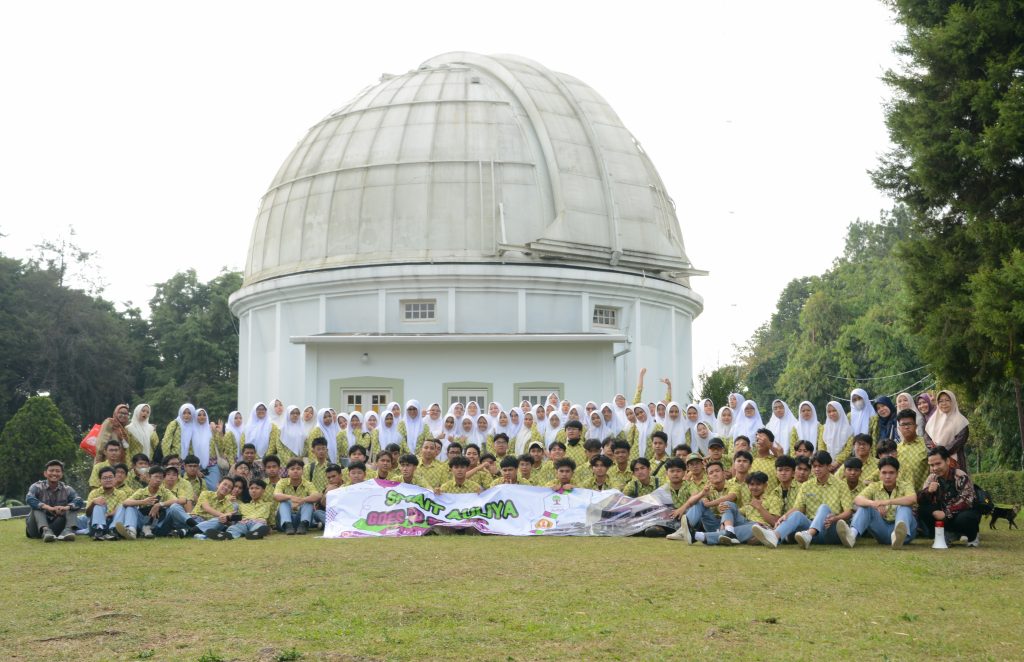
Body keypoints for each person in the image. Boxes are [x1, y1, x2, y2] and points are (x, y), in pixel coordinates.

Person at [751, 451, 854, 549]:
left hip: (830, 528)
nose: (817, 469)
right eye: (814, 466)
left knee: (823, 508)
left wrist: (835, 518)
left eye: (820, 466)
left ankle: (807, 535)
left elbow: (848, 512)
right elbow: (798, 508)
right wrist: (785, 516)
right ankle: (774, 536)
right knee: (796, 514)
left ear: (828, 466)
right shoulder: (806, 486)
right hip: (811, 530)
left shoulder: (841, 485)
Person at [848, 457, 917, 549]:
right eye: (884, 473)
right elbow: (858, 499)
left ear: (897, 473)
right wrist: (874, 504)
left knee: (904, 507)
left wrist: (887, 502)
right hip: (882, 530)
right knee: (865, 507)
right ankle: (851, 535)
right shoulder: (874, 486)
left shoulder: (906, 485)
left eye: (891, 473)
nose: (887, 476)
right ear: (879, 474)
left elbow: (913, 499)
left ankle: (898, 535)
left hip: (905, 535)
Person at [917, 446, 980, 546]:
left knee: (965, 518)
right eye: (932, 465)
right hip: (944, 517)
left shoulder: (960, 475)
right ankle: (943, 535)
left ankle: (972, 536)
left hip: (959, 514)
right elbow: (920, 500)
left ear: (947, 461)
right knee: (922, 509)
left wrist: (946, 513)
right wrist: (928, 491)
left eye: (938, 464)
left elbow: (967, 501)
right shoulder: (932, 478)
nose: (935, 468)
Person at [669, 461, 737, 545]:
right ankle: (683, 531)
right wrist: (702, 495)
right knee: (700, 502)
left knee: (726, 503)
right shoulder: (708, 487)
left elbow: (731, 497)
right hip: (713, 523)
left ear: (723, 473)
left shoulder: (733, 484)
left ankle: (726, 533)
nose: (715, 474)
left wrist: (710, 504)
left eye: (717, 471)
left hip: (732, 523)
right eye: (711, 473)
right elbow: (694, 500)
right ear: (708, 477)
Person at [118, 466, 192, 539]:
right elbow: (125, 502)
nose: (158, 480)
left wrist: (159, 504)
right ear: (149, 477)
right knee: (130, 507)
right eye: (156, 477)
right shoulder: (141, 491)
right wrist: (143, 502)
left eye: (161, 478)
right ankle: (131, 530)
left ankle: (193, 526)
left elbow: (176, 500)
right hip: (142, 521)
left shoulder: (165, 491)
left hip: (159, 522)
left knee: (173, 507)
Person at [26, 460, 84, 542]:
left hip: (56, 527)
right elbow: (29, 498)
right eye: (51, 471)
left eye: (57, 471)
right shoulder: (37, 486)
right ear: (45, 473)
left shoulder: (67, 489)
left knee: (72, 507)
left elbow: (79, 500)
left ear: (61, 474)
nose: (54, 473)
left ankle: (68, 531)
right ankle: (45, 530)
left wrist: (65, 508)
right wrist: (49, 508)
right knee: (37, 507)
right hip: (35, 528)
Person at [924, 389, 970, 471]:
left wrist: (941, 453)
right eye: (941, 401)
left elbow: (957, 443)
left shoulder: (961, 421)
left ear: (953, 401)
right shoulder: (933, 419)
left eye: (947, 400)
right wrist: (935, 450)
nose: (944, 403)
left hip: (954, 461)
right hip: (936, 463)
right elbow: (927, 437)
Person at [274, 458, 321, 535]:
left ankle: (303, 525)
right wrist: (290, 497)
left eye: (298, 469)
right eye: (292, 469)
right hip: (284, 520)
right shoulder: (282, 482)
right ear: (288, 471)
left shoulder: (308, 484)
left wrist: (302, 500)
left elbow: (317, 496)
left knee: (308, 502)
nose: (295, 471)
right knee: (284, 502)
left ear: (303, 471)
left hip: (300, 518)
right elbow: (276, 496)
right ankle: (288, 525)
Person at [85, 466, 126, 541]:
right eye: (104, 478)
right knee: (98, 504)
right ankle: (99, 531)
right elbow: (87, 514)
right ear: (100, 480)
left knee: (122, 508)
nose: (108, 480)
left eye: (110, 477)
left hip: (113, 522)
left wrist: (107, 515)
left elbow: (120, 510)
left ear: (115, 479)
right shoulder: (94, 493)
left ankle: (112, 531)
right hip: (95, 524)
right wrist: (93, 503)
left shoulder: (121, 493)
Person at [895, 409, 930, 490]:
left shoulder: (926, 444)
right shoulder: (896, 449)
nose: (906, 427)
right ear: (899, 428)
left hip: (924, 495)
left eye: (909, 424)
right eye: (903, 424)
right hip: (903, 496)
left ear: (916, 426)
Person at [822, 401, 854, 471]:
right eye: (829, 412)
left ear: (840, 410)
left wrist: (837, 462)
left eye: (834, 410)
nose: (832, 413)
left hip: (843, 465)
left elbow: (848, 449)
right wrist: (826, 462)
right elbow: (822, 447)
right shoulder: (824, 428)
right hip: (825, 465)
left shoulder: (848, 429)